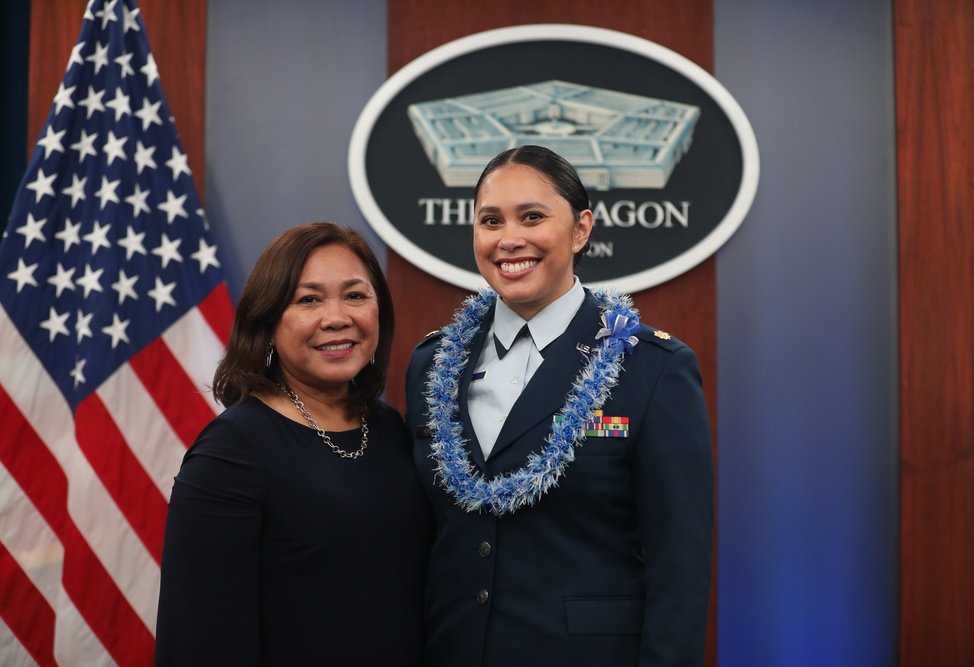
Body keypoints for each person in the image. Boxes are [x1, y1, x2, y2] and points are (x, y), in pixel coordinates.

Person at [405, 146, 714, 666]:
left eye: (532, 217)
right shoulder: (432, 363)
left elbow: (679, 569)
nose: (509, 240)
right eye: (490, 220)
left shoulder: (653, 368)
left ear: (580, 230)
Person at [155, 222, 432, 666]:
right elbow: (198, 638)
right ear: (266, 321)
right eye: (309, 300)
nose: (338, 317)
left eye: (356, 295)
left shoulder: (388, 426)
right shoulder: (232, 451)